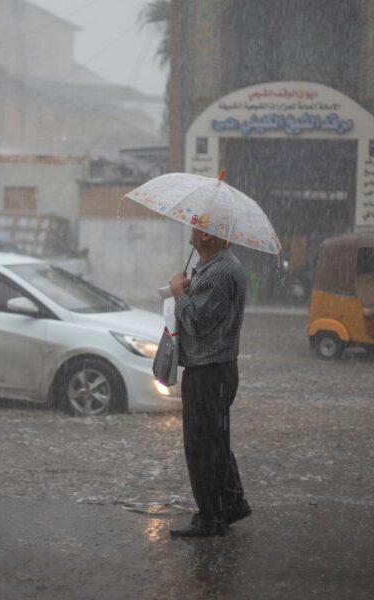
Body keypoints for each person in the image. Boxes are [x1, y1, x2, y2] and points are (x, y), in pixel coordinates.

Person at [167, 227, 251, 538]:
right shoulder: (218, 267)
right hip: (215, 369)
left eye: (195, 226)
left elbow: (198, 322)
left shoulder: (220, 272)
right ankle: (230, 503)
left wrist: (178, 292)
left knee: (202, 446)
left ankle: (211, 519)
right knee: (215, 442)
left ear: (208, 236)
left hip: (209, 372)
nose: (189, 229)